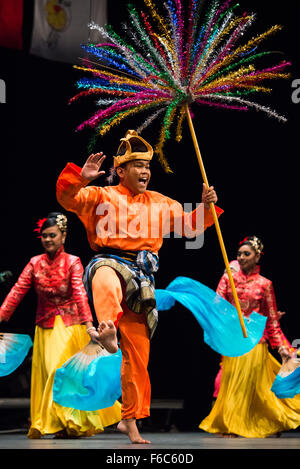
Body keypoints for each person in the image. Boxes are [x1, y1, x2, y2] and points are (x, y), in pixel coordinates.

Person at [56, 129, 222, 444]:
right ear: (120, 171)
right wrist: (82, 178)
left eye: (147, 167)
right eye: (137, 166)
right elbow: (67, 197)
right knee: (106, 275)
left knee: (137, 354)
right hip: (108, 259)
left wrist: (205, 207)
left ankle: (129, 419)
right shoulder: (100, 197)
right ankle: (106, 327)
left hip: (143, 276)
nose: (145, 171)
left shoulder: (161, 202)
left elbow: (189, 227)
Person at [0, 212, 121, 438]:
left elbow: (79, 294)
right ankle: (60, 423)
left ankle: (70, 421)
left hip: (70, 327)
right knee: (49, 375)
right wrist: (1, 315)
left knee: (61, 372)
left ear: (63, 236)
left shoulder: (72, 262)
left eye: (53, 235)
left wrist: (89, 325)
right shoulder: (35, 263)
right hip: (44, 327)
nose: (48, 240)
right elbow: (17, 291)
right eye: (45, 236)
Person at [200, 236, 300, 438]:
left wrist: (282, 347)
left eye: (247, 254)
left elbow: (272, 322)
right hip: (234, 342)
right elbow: (217, 307)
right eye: (239, 254)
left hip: (256, 343)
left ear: (257, 257)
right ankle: (232, 424)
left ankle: (255, 422)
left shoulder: (265, 284)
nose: (242, 257)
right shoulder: (228, 278)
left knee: (252, 388)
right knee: (230, 385)